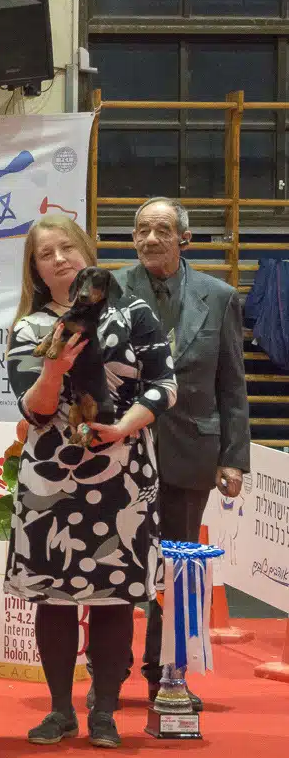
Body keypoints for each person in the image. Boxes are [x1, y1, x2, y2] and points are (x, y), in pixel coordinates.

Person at [5, 214, 177, 748]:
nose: (58, 259)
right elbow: (33, 413)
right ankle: (60, 710)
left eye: (66, 248)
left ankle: (104, 710)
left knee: (115, 597)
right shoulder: (29, 329)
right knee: (54, 598)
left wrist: (124, 426)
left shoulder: (136, 312)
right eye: (44, 254)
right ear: (35, 270)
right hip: (52, 474)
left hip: (123, 468)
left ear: (86, 253)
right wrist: (55, 367)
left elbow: (166, 385)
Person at [93, 197, 248, 710]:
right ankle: (107, 675)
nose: (151, 239)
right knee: (113, 563)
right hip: (120, 450)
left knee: (178, 566)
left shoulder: (220, 296)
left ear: (184, 238)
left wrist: (233, 456)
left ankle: (169, 671)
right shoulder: (109, 288)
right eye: (141, 229)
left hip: (192, 450)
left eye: (162, 229)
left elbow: (232, 384)